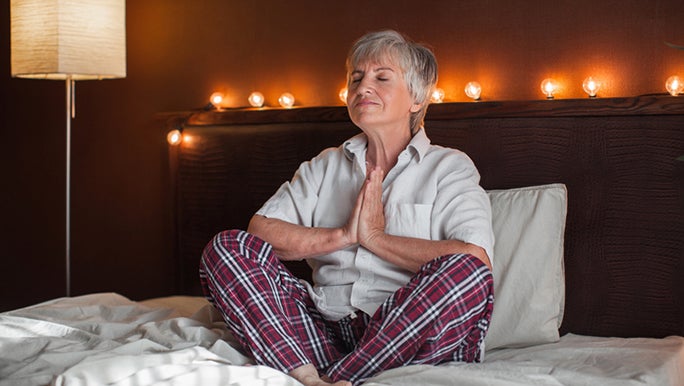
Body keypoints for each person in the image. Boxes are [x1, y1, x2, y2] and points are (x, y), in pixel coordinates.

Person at [199, 30, 495, 386]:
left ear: (416, 98)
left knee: (468, 273)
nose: (362, 87)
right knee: (227, 247)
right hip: (319, 330)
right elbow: (262, 232)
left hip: (402, 337)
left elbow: (474, 259)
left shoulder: (448, 167)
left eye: (381, 77)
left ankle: (335, 378)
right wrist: (343, 235)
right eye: (356, 78)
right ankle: (310, 376)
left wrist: (374, 238)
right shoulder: (325, 165)